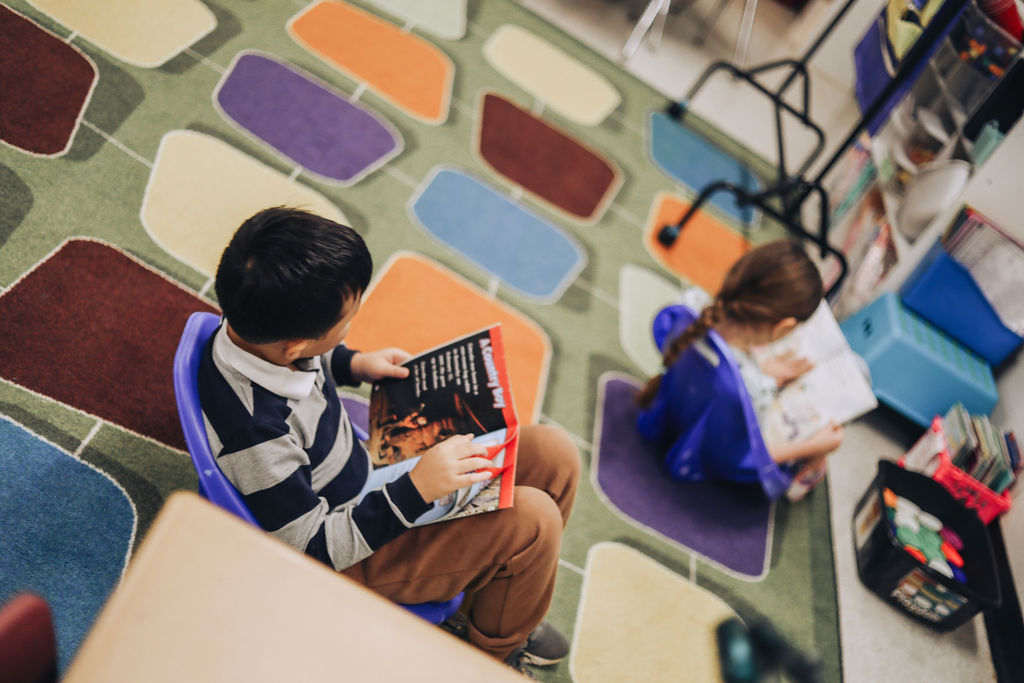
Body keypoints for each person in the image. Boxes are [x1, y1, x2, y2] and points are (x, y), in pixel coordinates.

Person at [198, 207, 580, 676]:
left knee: (553, 454)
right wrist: (416, 489)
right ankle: (484, 658)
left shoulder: (256, 337)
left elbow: (313, 360)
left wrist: (355, 364)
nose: (352, 326)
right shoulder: (256, 434)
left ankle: (497, 599)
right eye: (346, 321)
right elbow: (309, 549)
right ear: (296, 344)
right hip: (351, 552)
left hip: (364, 478)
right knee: (534, 520)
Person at [635, 240, 844, 500]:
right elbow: (755, 453)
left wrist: (766, 372)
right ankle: (812, 466)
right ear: (784, 327)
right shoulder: (756, 389)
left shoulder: (690, 306)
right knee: (819, 446)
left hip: (678, 408)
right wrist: (814, 447)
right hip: (717, 455)